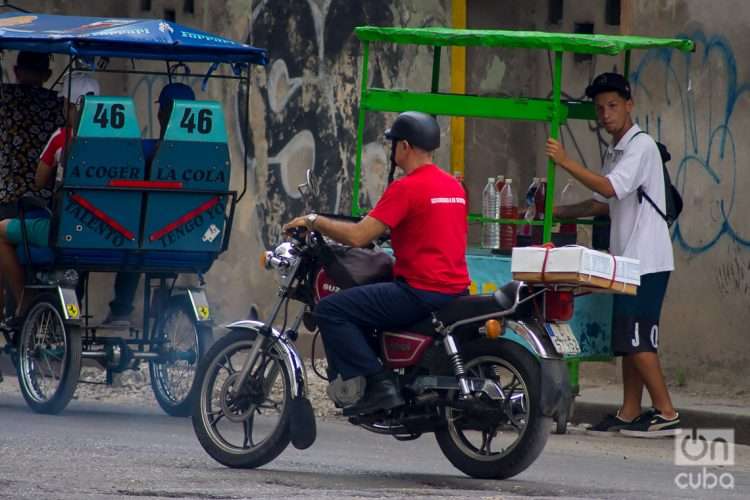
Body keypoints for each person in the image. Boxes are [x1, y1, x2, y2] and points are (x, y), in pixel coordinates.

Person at [283, 111, 470, 414]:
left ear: (405, 146)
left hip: (419, 292)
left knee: (331, 309)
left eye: (394, 143)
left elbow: (358, 237)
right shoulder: (454, 187)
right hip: (455, 290)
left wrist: (314, 221)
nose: (392, 149)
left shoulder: (407, 187)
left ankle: (378, 384)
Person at [545, 72, 680, 437]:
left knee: (639, 339)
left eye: (612, 106)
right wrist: (557, 213)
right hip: (628, 262)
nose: (605, 114)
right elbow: (602, 203)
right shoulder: (617, 150)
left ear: (629, 106)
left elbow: (608, 186)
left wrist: (565, 162)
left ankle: (666, 412)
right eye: (600, 108)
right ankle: (629, 411)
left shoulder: (640, 147)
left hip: (648, 260)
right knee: (628, 339)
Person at [0, 73, 100, 319]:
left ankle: (24, 299)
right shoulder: (123, 143)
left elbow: (39, 180)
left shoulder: (61, 138)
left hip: (64, 229)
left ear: (72, 105)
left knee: (0, 230)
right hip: (106, 232)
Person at [103, 82, 196, 327]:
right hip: (186, 233)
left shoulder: (143, 149)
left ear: (161, 113)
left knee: (134, 241)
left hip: (141, 235)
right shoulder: (209, 154)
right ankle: (161, 293)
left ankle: (122, 309)